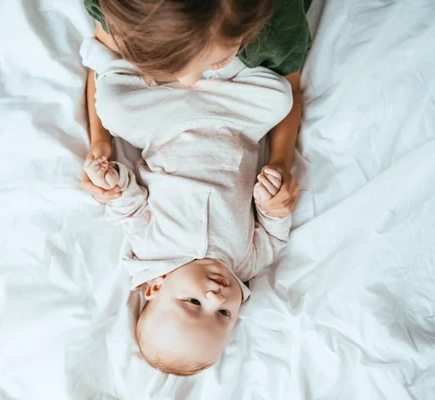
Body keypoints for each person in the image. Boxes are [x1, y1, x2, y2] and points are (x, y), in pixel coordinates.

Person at [79, 35, 298, 375]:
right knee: (279, 99)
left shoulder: (154, 250)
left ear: (156, 287)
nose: (216, 297)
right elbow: (274, 232)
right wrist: (272, 203)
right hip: (234, 121)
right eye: (224, 314)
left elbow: (129, 205)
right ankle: (225, 65)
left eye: (193, 303)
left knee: (113, 107)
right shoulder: (247, 262)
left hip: (163, 126)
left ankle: (118, 61)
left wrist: (112, 181)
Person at [80, 0, 310, 216]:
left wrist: (281, 162)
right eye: (168, 67)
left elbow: (291, 85)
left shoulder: (279, 24)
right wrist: (100, 142)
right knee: (112, 106)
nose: (189, 81)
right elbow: (102, 59)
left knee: (280, 98)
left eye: (218, 61)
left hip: (247, 86)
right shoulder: (126, 13)